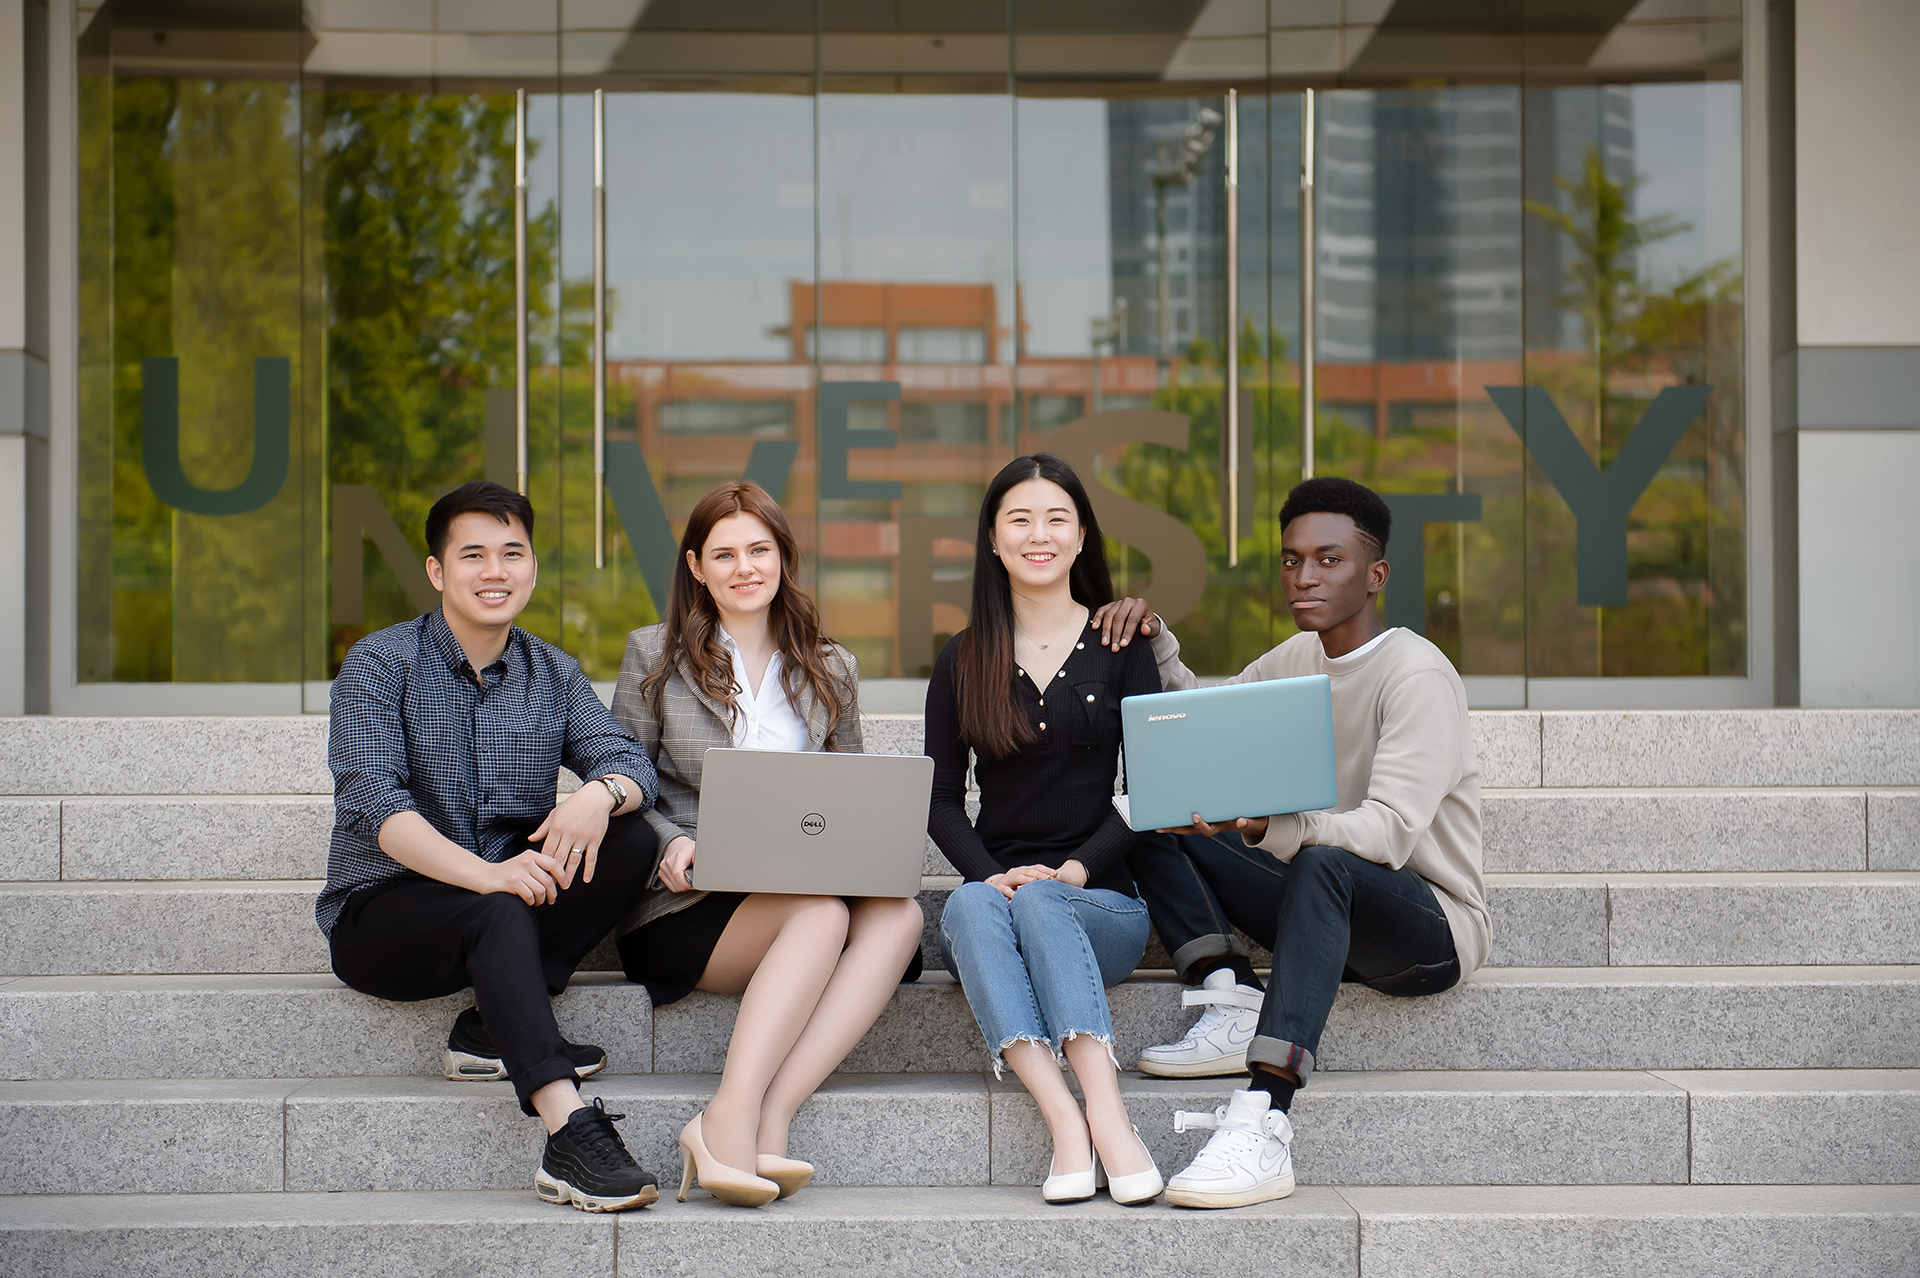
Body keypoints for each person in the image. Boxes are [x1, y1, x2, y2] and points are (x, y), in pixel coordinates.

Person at [1091, 476, 1490, 1210]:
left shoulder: (1417, 675)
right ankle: (1229, 990)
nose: (1304, 577)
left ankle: (1266, 1115)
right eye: (1290, 560)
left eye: (1328, 560)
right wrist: (1158, 641)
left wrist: (1281, 828)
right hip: (1321, 902)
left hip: (1427, 929)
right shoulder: (1295, 658)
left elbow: (1390, 832)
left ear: (1376, 576)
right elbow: (1206, 732)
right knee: (1156, 804)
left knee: (1325, 860)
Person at [319, 480, 662, 1213]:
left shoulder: (553, 673)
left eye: (512, 553)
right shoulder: (382, 664)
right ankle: (569, 1134)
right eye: (473, 554)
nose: (495, 571)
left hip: (500, 902)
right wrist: (490, 877)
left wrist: (596, 798)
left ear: (533, 568)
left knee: (630, 838)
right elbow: (372, 801)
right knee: (496, 907)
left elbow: (631, 766)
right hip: (383, 912)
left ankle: (489, 1027)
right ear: (438, 571)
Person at [611, 481, 925, 1208]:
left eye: (759, 550)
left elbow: (856, 792)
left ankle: (771, 1116)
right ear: (696, 566)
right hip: (689, 903)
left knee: (903, 917)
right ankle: (728, 1114)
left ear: (783, 558)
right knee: (821, 913)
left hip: (806, 889)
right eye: (724, 553)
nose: (743, 566)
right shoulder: (651, 655)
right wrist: (668, 841)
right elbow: (621, 778)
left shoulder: (831, 665)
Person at [928, 453, 1166, 1207]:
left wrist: (1077, 871)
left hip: (1104, 906)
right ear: (993, 541)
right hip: (1000, 898)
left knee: (1041, 903)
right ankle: (1064, 1119)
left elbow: (1154, 784)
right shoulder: (963, 659)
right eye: (1020, 519)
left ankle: (1110, 1115)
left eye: (1057, 518)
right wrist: (988, 874)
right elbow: (937, 800)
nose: (1040, 534)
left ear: (1083, 536)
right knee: (968, 905)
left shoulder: (1122, 647)